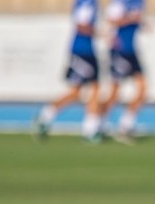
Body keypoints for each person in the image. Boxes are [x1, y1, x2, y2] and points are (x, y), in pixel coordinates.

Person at [33, 0, 105, 142]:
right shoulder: (86, 3)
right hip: (82, 51)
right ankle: (89, 129)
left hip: (87, 50)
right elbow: (81, 25)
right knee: (87, 89)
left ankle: (46, 117)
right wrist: (99, 33)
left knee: (81, 91)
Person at [101, 0, 148, 144]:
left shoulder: (140, 2)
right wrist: (131, 19)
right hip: (119, 51)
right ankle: (98, 124)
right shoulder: (119, 2)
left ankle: (125, 126)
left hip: (132, 51)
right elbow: (112, 22)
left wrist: (142, 24)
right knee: (115, 92)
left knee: (143, 89)